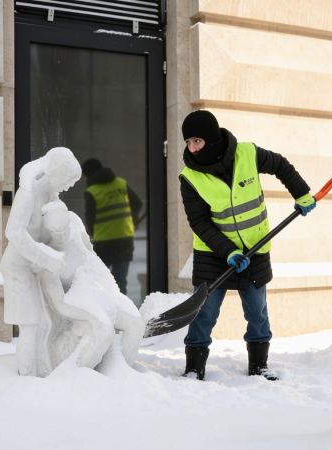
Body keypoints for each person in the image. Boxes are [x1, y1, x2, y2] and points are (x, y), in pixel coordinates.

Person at [178, 110, 316, 381]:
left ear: (211, 138)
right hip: (213, 253)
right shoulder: (190, 177)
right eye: (188, 142)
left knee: (257, 310)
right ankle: (194, 368)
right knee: (203, 313)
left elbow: (281, 166)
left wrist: (301, 193)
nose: (192, 148)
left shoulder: (248, 154)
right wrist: (228, 251)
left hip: (255, 247)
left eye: (197, 141)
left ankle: (259, 365)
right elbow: (200, 222)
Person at [1, 148, 82, 377]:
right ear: (55, 172)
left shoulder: (51, 198)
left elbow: (46, 233)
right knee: (30, 325)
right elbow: (14, 233)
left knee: (44, 324)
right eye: (67, 179)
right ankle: (28, 380)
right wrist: (46, 258)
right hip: (17, 267)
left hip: (34, 267)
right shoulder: (28, 194)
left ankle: (43, 375)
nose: (69, 185)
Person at [37, 201, 144, 372]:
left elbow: (91, 254)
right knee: (103, 328)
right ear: (48, 231)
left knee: (136, 324)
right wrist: (90, 315)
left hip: (100, 292)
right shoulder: (49, 258)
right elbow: (59, 304)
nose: (62, 236)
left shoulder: (76, 226)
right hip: (78, 303)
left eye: (65, 229)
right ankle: (75, 376)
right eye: (56, 233)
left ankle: (119, 373)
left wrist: (108, 290)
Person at [81, 158, 143, 295]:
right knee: (120, 282)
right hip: (124, 241)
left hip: (104, 244)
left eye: (84, 176)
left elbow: (90, 218)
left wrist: (91, 234)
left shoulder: (91, 191)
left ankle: (104, 313)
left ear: (89, 174)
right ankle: (122, 315)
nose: (84, 179)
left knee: (98, 281)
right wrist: (131, 223)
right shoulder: (121, 184)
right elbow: (137, 203)